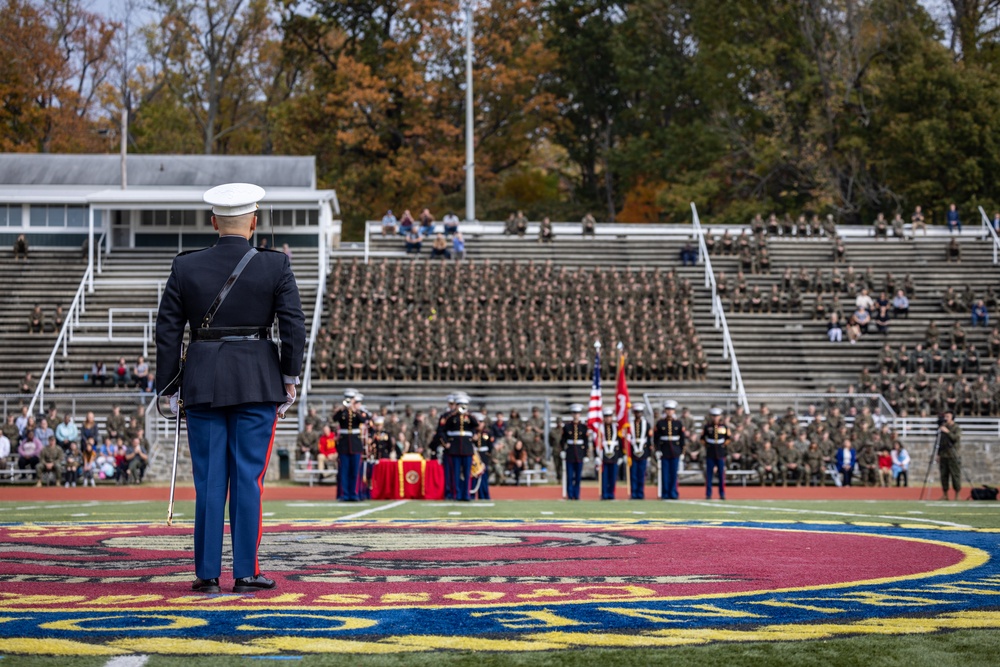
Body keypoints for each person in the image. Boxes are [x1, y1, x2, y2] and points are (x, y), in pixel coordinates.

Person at [155, 182, 306, 595]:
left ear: (213, 222)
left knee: (208, 481)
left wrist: (167, 388)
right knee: (247, 480)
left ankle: (206, 575)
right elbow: (293, 325)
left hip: (203, 380)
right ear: (254, 222)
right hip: (258, 380)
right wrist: (290, 378)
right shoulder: (276, 265)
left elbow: (168, 331)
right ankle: (244, 573)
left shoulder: (185, 266)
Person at [332, 389, 369, 501]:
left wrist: (354, 409)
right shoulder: (342, 411)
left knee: (355, 471)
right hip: (344, 445)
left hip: (355, 444)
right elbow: (335, 418)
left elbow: (363, 419)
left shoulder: (358, 411)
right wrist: (343, 409)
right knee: (344, 471)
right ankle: (344, 494)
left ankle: (354, 493)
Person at [443, 394, 478, 501]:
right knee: (455, 473)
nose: (462, 407)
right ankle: (456, 494)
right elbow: (444, 429)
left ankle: (466, 494)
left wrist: (468, 414)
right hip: (455, 448)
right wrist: (446, 443)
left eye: (464, 405)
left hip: (467, 448)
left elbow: (476, 424)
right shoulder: (451, 417)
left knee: (467, 473)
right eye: (460, 405)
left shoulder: (470, 417)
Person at [654, 400, 685, 499]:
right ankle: (665, 493)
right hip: (664, 450)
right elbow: (656, 438)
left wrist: (682, 451)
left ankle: (673, 493)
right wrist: (657, 450)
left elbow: (682, 438)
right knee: (665, 474)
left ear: (674, 411)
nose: (669, 411)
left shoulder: (678, 423)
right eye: (667, 409)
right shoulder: (660, 423)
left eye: (671, 410)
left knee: (674, 474)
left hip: (675, 451)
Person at [701, 407, 730, 500]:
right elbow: (702, 438)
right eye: (713, 416)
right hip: (710, 452)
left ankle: (722, 493)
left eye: (717, 416)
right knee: (709, 474)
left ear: (720, 416)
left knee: (721, 474)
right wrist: (707, 445)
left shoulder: (724, 427)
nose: (715, 418)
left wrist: (723, 445)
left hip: (720, 453)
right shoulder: (707, 427)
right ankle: (708, 494)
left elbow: (728, 438)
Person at [560, 404, 587, 500]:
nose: (576, 415)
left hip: (579, 454)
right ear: (572, 414)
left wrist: (586, 454)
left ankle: (577, 494)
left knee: (578, 477)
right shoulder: (567, 426)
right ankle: (570, 494)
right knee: (570, 476)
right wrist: (563, 450)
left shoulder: (583, 427)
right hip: (570, 453)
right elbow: (563, 440)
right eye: (574, 413)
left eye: (578, 413)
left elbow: (586, 441)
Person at [937, 410, 962, 500]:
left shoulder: (956, 428)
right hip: (944, 455)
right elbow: (940, 442)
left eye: (948, 416)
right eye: (945, 416)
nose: (946, 418)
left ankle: (957, 494)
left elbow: (955, 438)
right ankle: (945, 494)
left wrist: (947, 431)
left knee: (955, 475)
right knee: (944, 475)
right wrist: (938, 454)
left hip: (953, 455)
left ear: (952, 418)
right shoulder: (943, 428)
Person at [629, 404, 652, 500]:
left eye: (639, 412)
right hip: (632, 452)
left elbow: (649, 439)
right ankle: (634, 493)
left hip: (643, 451)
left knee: (641, 474)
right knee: (633, 474)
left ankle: (640, 493)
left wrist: (649, 454)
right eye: (636, 412)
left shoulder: (646, 424)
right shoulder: (629, 424)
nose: (638, 414)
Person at [598, 407, 620, 500]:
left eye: (609, 416)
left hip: (614, 455)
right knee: (604, 476)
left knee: (613, 476)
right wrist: (597, 456)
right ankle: (604, 494)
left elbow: (620, 442)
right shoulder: (600, 428)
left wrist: (620, 456)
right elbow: (597, 442)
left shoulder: (616, 428)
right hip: (603, 455)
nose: (608, 418)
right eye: (606, 416)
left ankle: (611, 494)